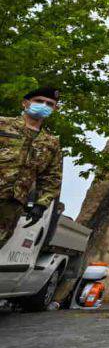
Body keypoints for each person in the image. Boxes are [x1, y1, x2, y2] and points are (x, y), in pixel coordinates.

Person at [0, 87, 63, 249]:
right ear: (25, 103)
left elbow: (52, 177)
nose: (44, 105)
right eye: (39, 101)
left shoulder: (51, 142)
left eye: (50, 104)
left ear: (54, 109)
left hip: (12, 206)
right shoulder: (3, 125)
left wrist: (41, 204)